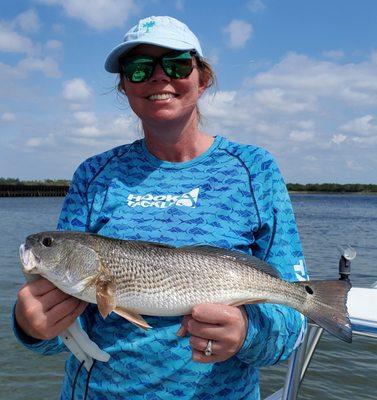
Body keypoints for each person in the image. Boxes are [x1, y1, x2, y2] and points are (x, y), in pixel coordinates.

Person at [13, 15, 308, 400]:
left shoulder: (255, 170)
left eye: (176, 64)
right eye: (138, 68)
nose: (158, 77)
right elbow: (63, 332)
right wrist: (31, 326)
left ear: (203, 79)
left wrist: (246, 334)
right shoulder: (94, 174)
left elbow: (292, 325)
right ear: (124, 86)